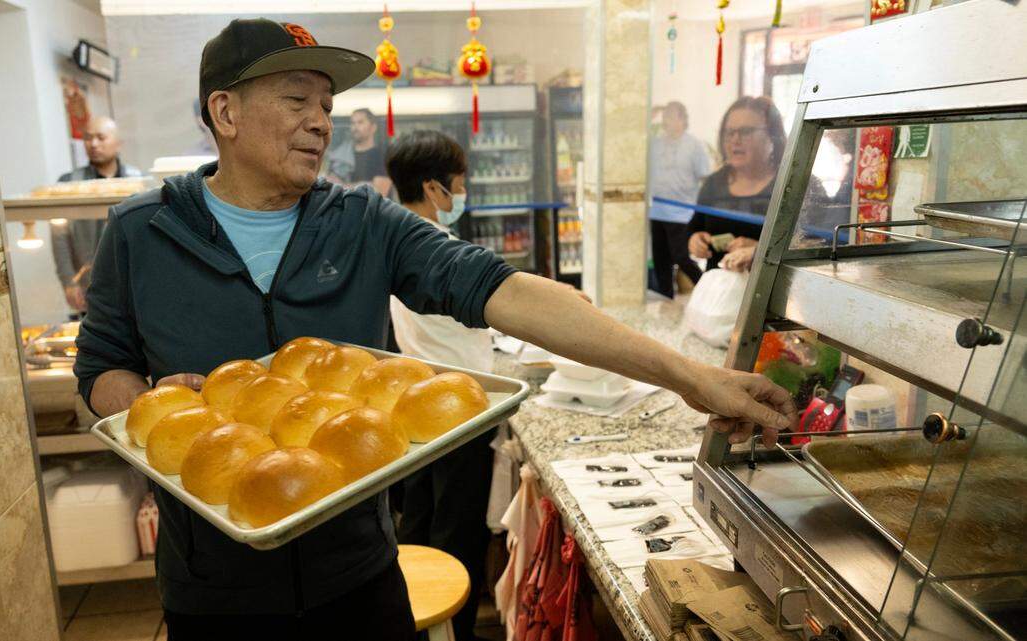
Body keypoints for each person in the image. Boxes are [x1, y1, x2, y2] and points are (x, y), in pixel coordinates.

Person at [74, 18, 795, 641]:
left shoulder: (359, 222)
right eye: (297, 100)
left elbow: (508, 291)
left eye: (326, 104)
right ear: (224, 112)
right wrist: (149, 403)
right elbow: (100, 369)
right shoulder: (142, 233)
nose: (322, 120)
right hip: (214, 588)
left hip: (356, 573)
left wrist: (690, 375)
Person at [384, 130, 493, 641]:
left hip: (415, 408)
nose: (461, 195)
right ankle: (457, 630)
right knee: (457, 533)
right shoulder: (443, 255)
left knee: (419, 525)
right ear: (433, 189)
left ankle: (418, 624)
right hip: (459, 414)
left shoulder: (396, 249)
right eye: (459, 185)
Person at [50, 116, 142, 312]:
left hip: (134, 284)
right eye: (88, 138)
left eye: (101, 137)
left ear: (118, 144)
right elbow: (60, 238)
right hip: (88, 287)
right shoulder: (68, 183)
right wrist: (68, 281)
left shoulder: (137, 181)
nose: (93, 144)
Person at [687, 96, 786, 274]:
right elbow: (695, 226)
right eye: (729, 132)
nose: (735, 140)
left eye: (746, 131)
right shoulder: (713, 183)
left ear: (772, 135)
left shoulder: (793, 186)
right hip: (719, 292)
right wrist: (695, 239)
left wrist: (760, 251)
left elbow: (813, 247)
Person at [649, 101, 710, 297]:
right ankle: (666, 300)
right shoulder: (655, 143)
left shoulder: (694, 145)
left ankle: (707, 292)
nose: (666, 120)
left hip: (682, 213)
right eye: (665, 116)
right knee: (661, 261)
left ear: (683, 119)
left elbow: (705, 177)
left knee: (681, 257)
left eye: (671, 116)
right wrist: (650, 115)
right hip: (657, 211)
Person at [327, 108, 392, 196]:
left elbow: (379, 192)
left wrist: (342, 186)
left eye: (360, 122)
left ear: (373, 127)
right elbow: (329, 187)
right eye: (353, 123)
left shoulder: (381, 156)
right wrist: (368, 185)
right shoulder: (340, 157)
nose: (355, 127)